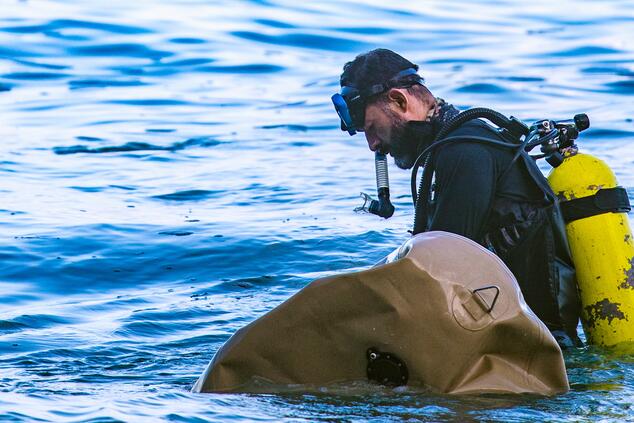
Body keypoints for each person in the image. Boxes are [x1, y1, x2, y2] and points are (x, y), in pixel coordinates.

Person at [332, 48, 582, 347]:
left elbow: (440, 274)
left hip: (535, 348)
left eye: (372, 128)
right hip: (519, 336)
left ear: (399, 101)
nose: (373, 145)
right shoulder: (460, 144)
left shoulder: (465, 151)